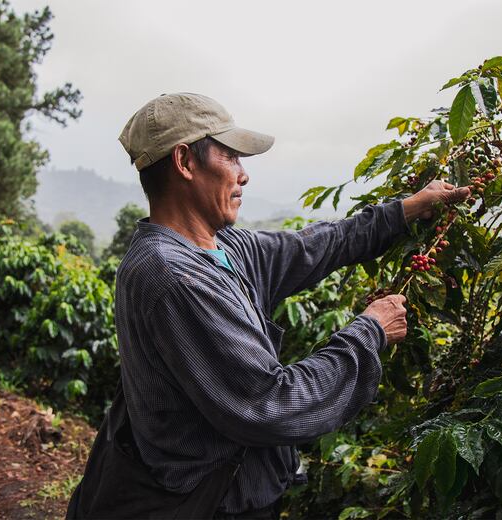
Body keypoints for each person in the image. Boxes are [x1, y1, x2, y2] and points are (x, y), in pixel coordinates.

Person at [66, 93, 470, 519]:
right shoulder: (175, 278)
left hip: (238, 488)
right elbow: (270, 404)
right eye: (232, 158)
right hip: (212, 501)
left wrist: (405, 210)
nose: (243, 176)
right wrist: (369, 331)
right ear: (185, 162)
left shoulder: (222, 247)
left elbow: (312, 246)